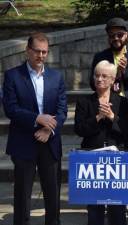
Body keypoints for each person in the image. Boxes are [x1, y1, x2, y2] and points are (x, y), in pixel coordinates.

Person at [2, 32, 67, 225]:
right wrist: (38, 118)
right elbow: (11, 109)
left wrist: (49, 130)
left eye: (44, 52)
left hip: (50, 141)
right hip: (23, 142)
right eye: (37, 51)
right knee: (22, 193)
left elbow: (62, 109)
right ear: (27, 51)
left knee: (52, 192)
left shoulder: (56, 77)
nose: (41, 56)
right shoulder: (13, 76)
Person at [74, 60, 128, 225]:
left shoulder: (123, 102)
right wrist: (98, 118)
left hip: (117, 160)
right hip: (92, 159)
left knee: (117, 208)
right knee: (94, 208)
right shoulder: (84, 102)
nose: (99, 79)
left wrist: (112, 118)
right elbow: (79, 129)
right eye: (96, 75)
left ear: (113, 79)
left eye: (104, 76)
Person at [91, 17, 128, 97]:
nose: (116, 38)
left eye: (120, 35)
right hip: (108, 101)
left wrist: (125, 72)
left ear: (126, 35)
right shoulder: (100, 57)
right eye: (112, 35)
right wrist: (109, 77)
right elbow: (92, 84)